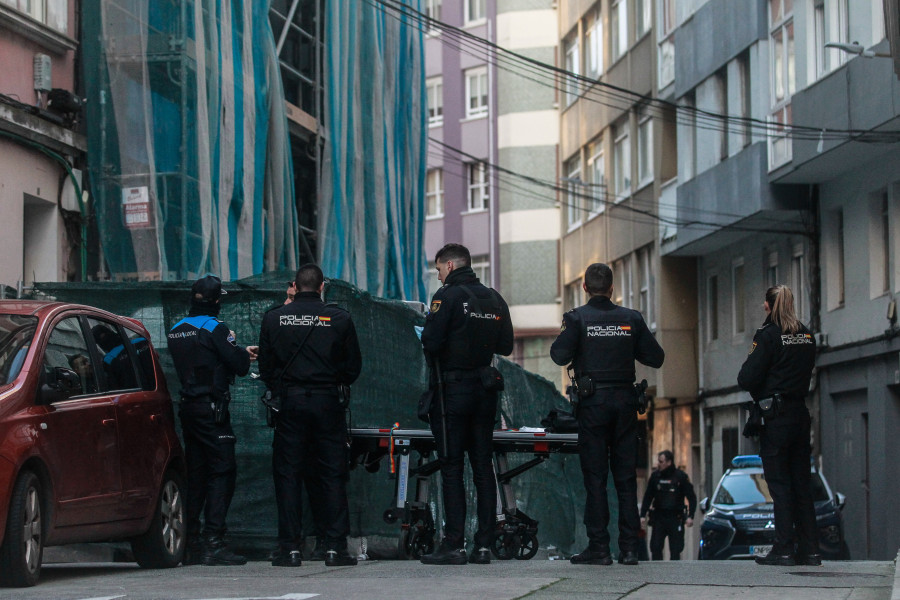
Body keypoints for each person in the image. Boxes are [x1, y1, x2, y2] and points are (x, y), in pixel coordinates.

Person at [550, 262, 664, 566]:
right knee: (626, 479)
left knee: (596, 479)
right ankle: (629, 549)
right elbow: (656, 357)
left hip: (593, 406)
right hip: (626, 405)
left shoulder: (576, 319)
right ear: (612, 288)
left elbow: (559, 355)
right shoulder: (631, 319)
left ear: (585, 288)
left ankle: (599, 548)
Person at [258, 264, 362, 568]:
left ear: (295, 285)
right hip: (328, 402)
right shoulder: (339, 318)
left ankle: (289, 547)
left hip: (290, 404)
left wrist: (284, 386)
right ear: (321, 287)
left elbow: (266, 368)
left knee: (288, 474)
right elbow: (353, 367)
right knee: (332, 473)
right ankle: (335, 547)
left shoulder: (274, 317)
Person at [419, 243, 514, 566]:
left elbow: (430, 343)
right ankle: (483, 545)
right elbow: (506, 345)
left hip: (453, 391)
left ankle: (453, 544)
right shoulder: (494, 297)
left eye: (438, 269)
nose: (439, 275)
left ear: (448, 266)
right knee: (482, 467)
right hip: (486, 391)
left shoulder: (445, 297)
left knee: (451, 467)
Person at [167, 275, 254, 566]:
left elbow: (203, 358)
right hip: (211, 410)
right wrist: (241, 352)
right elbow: (239, 366)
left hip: (189, 409)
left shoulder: (176, 330)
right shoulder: (216, 328)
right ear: (217, 301)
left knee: (197, 474)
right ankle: (213, 542)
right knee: (223, 470)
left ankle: (190, 542)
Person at [737, 284, 819, 566]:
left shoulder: (768, 336)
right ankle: (810, 549)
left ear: (768, 306)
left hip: (775, 417)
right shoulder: (807, 334)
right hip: (799, 413)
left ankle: (783, 548)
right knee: (801, 482)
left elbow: (747, 378)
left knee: (779, 483)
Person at [640, 450, 697, 560]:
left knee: (676, 549)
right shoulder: (655, 477)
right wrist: (643, 515)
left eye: (661, 462)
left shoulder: (680, 477)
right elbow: (648, 497)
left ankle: (673, 573)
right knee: (655, 547)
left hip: (675, 517)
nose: (659, 464)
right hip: (659, 517)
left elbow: (691, 497)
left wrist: (691, 516)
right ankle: (657, 572)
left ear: (669, 462)